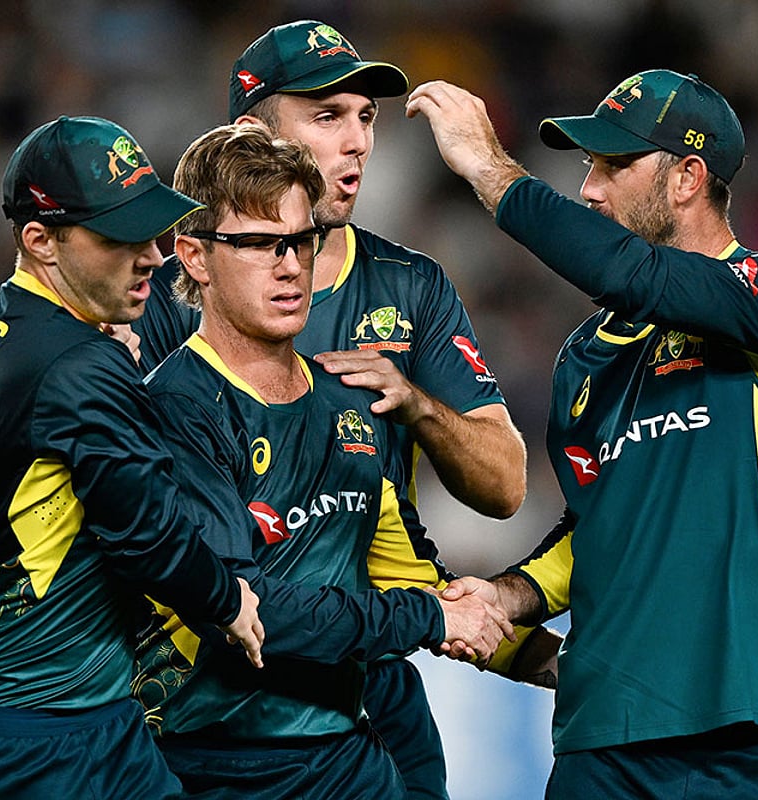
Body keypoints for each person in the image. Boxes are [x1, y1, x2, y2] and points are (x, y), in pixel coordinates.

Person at [133, 21, 555, 798]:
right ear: (253, 133)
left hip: (373, 669)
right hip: (220, 704)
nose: (357, 142)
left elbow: (500, 490)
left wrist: (417, 406)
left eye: (366, 118)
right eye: (327, 116)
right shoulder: (166, 307)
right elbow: (200, 570)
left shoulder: (407, 286)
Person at [409, 71, 758, 798]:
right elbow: (595, 528)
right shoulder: (587, 357)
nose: (589, 188)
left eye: (614, 164)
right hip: (602, 738)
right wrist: (507, 596)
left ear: (687, 178)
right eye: (588, 165)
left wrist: (489, 168)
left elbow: (630, 274)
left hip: (753, 732)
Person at [0, 115, 267, 800]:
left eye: (151, 229)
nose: (152, 255)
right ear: (41, 241)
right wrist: (227, 599)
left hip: (68, 720)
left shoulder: (2, 318)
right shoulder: (82, 363)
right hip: (14, 739)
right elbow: (149, 535)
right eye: (119, 237)